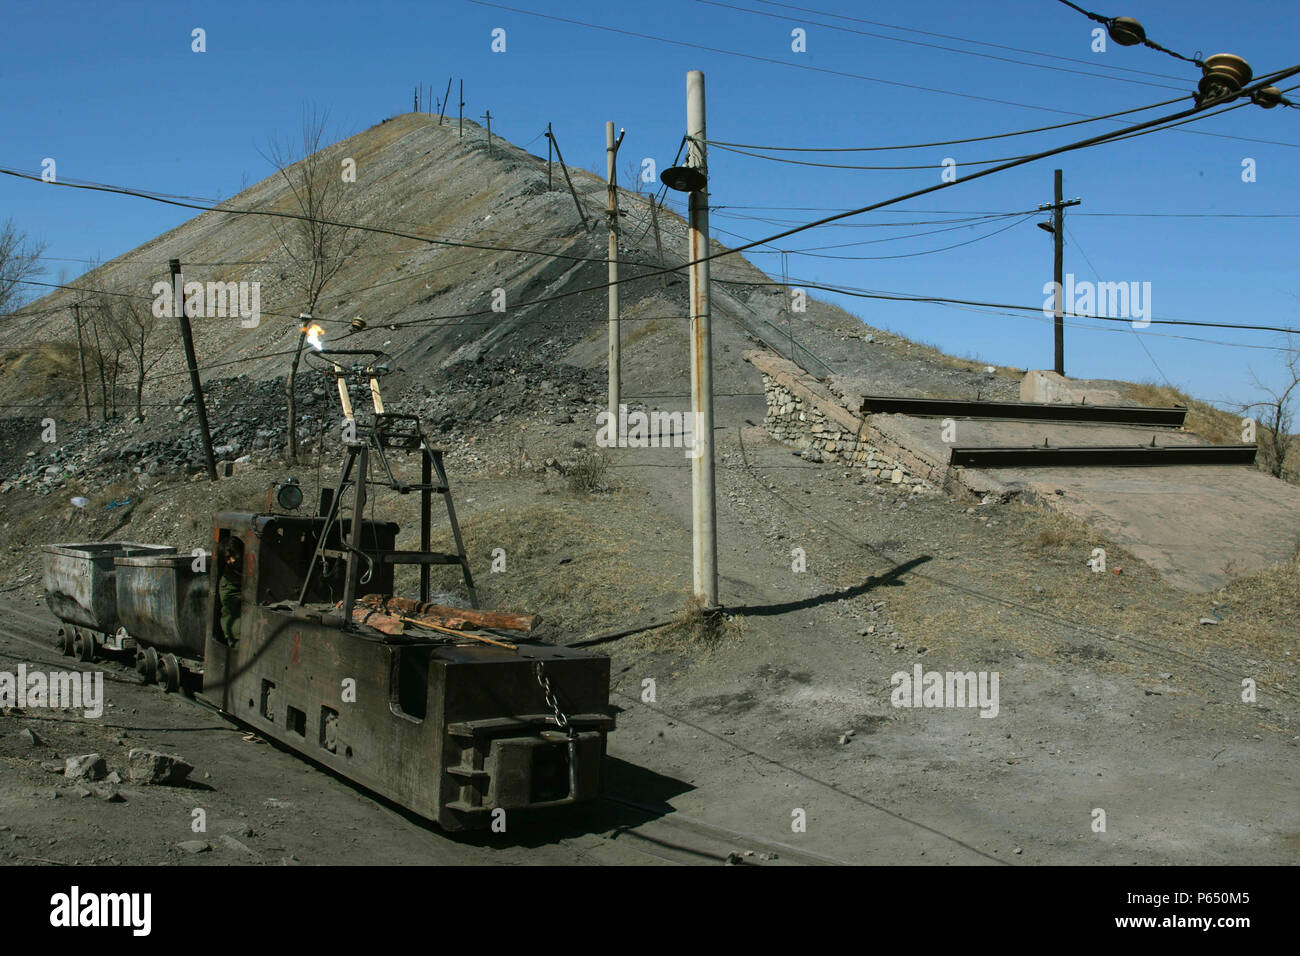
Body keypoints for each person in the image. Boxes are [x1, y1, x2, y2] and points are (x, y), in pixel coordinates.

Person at [218, 536, 243, 647]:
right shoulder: (227, 584)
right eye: (228, 558)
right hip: (236, 630)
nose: (232, 560)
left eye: (234, 555)